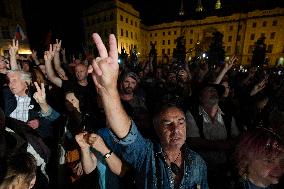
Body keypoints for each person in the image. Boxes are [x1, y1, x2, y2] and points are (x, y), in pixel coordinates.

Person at [88, 33, 208, 188]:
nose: (176, 129)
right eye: (168, 123)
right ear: (156, 126)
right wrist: (109, 89)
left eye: (180, 122)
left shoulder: (198, 163)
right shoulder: (146, 155)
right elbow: (127, 135)